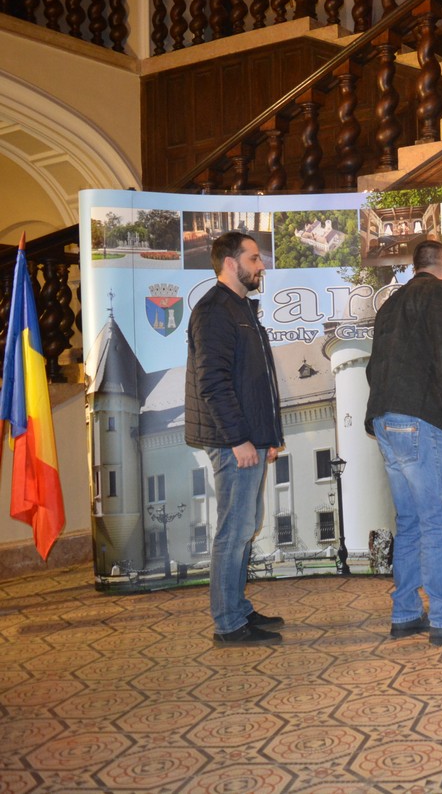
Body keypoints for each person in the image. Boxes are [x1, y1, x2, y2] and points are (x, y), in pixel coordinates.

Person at [365, 240, 442, 646]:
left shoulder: (391, 303)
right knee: (438, 521)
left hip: (385, 419)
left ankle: (405, 612)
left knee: (410, 522)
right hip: (421, 419)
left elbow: (374, 366)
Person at [185, 231, 285, 646]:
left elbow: (255, 381)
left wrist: (267, 437)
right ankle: (228, 623)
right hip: (233, 442)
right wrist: (240, 440)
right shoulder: (214, 311)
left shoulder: (239, 307)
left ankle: (238, 608)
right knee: (233, 530)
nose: (261, 266)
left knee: (244, 526)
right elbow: (212, 383)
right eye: (255, 258)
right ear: (231, 262)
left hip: (249, 438)